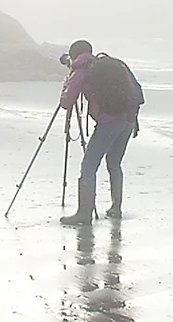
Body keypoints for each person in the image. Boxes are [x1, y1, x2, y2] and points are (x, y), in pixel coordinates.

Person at [56, 39, 142, 226]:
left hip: (108, 122)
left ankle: (84, 214)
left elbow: (66, 102)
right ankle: (116, 208)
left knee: (88, 166)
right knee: (114, 163)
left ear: (74, 55)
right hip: (128, 120)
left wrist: (67, 82)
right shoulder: (104, 65)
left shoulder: (82, 70)